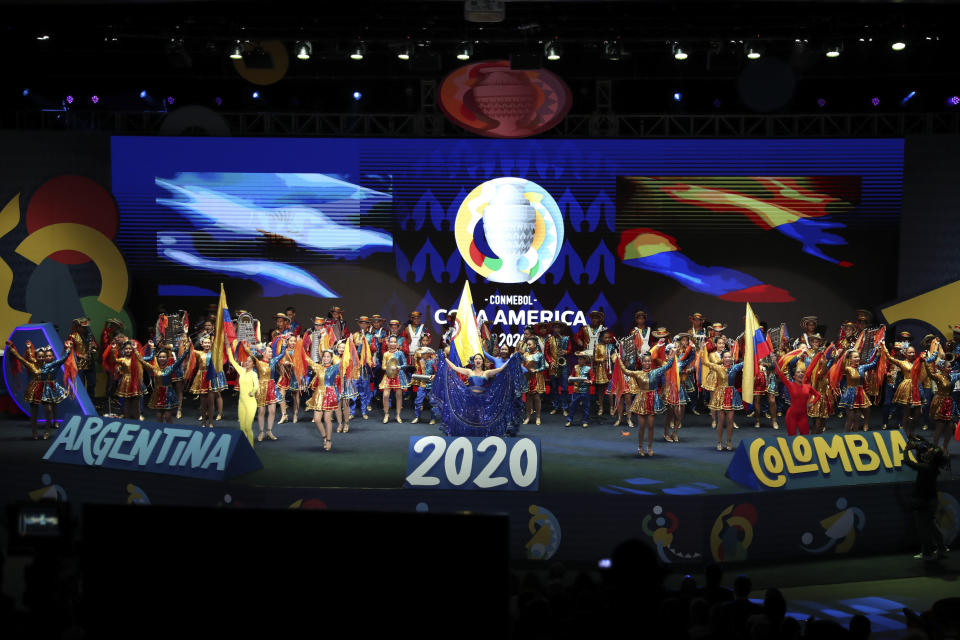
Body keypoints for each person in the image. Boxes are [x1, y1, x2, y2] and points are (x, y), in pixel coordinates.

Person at [433, 351, 524, 437]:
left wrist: (511, 359)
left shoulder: (487, 372)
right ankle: (469, 433)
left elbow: (501, 369)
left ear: (482, 362)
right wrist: (445, 358)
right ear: (474, 361)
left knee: (481, 417)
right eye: (476, 358)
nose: (478, 360)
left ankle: (481, 434)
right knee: (470, 416)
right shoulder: (469, 371)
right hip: (469, 397)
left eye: (480, 359)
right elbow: (454, 368)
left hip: (483, 399)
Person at [5, 340, 72, 440]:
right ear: (36, 357)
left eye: (43, 356)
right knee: (34, 412)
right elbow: (20, 358)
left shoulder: (48, 365)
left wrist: (68, 349)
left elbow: (62, 360)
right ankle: (34, 431)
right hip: (35, 389)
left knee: (48, 410)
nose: (41, 358)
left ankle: (47, 430)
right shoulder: (32, 365)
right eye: (39, 356)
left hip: (47, 389)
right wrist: (12, 349)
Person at [614, 350, 676, 457]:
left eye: (649, 361)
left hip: (652, 399)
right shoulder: (638, 373)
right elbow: (625, 371)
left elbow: (667, 366)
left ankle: (650, 447)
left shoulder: (655, 372)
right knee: (642, 426)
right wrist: (619, 359)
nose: (647, 363)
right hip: (641, 400)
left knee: (651, 425)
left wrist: (673, 356)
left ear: (651, 362)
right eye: (645, 361)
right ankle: (640, 447)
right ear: (642, 362)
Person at [903, 437, 948, 560]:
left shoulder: (927, 468)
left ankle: (927, 553)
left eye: (930, 451)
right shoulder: (932, 466)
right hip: (930, 500)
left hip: (924, 501)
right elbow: (924, 450)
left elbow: (908, 462)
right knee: (931, 526)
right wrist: (919, 444)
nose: (927, 451)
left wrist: (906, 450)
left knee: (923, 528)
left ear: (932, 457)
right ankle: (941, 548)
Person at [701, 345, 744, 452]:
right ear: (722, 359)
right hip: (720, 395)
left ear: (732, 358)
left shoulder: (735, 367)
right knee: (721, 420)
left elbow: (748, 362)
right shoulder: (718, 367)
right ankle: (719, 442)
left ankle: (729, 441)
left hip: (731, 395)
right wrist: (703, 349)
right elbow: (705, 362)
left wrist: (752, 349)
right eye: (726, 357)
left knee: (730, 420)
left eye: (729, 357)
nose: (728, 359)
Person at [142, 333, 191, 423]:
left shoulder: (171, 365)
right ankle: (160, 431)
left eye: (164, 357)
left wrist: (186, 349)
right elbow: (143, 360)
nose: (162, 358)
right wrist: (137, 351)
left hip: (168, 391)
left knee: (168, 416)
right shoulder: (154, 367)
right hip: (158, 392)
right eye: (160, 357)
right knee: (159, 415)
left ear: (167, 358)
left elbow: (180, 358)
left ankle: (176, 415)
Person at [883, 341, 924, 437]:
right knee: (906, 412)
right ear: (905, 353)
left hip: (916, 387)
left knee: (918, 412)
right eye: (910, 352)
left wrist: (934, 350)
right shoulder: (902, 363)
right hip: (906, 387)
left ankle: (912, 431)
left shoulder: (918, 361)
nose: (912, 354)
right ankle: (905, 433)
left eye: (913, 352)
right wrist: (883, 346)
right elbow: (889, 358)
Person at [225, 342, 260, 446]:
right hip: (241, 403)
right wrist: (227, 346)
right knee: (242, 428)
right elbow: (231, 360)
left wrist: (252, 392)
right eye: (246, 361)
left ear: (253, 364)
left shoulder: (254, 374)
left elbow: (256, 386)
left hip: (251, 403)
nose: (246, 362)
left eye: (249, 362)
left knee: (248, 427)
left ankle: (251, 448)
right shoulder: (242, 371)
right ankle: (245, 447)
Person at [186, 335, 226, 428]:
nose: (207, 344)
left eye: (209, 342)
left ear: (211, 343)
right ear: (201, 344)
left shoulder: (214, 353)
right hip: (201, 378)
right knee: (203, 403)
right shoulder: (199, 353)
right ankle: (204, 422)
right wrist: (187, 338)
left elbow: (221, 347)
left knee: (211, 402)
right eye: (205, 343)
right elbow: (190, 350)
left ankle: (211, 422)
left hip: (211, 377)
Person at [837, 348, 880, 432]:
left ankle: (855, 436)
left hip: (859, 394)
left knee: (857, 418)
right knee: (850, 418)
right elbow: (841, 364)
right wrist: (845, 354)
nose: (858, 359)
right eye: (855, 357)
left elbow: (874, 364)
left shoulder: (862, 368)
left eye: (858, 357)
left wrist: (878, 354)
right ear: (850, 359)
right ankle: (845, 437)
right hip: (850, 394)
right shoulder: (848, 369)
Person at [305, 349, 339, 451]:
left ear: (332, 358)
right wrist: (299, 344)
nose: (326, 358)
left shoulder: (335, 368)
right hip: (319, 395)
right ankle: (324, 436)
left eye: (328, 357)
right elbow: (308, 360)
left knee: (327, 419)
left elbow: (346, 360)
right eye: (324, 356)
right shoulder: (318, 367)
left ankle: (329, 440)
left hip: (329, 393)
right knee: (316, 419)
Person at [925, 355, 960, 455]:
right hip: (940, 403)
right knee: (939, 427)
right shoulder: (938, 376)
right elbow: (929, 374)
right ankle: (934, 448)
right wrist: (924, 361)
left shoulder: (953, 377)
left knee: (950, 426)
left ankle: (944, 447)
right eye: (948, 367)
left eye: (950, 367)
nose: (950, 368)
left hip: (949, 403)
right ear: (943, 368)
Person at [252, 344, 283, 441]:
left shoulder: (273, 361)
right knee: (261, 411)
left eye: (271, 352)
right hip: (261, 387)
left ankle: (269, 431)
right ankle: (261, 432)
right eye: (269, 352)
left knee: (272, 411)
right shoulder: (258, 362)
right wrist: (250, 347)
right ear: (263, 353)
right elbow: (250, 353)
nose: (271, 353)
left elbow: (282, 354)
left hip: (271, 387)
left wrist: (284, 345)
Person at [380, 334, 410, 423]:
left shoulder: (400, 353)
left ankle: (398, 415)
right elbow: (383, 366)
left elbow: (405, 364)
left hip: (398, 376)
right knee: (385, 396)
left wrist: (398, 367)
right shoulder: (386, 354)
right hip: (388, 376)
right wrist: (389, 368)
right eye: (391, 342)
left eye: (394, 342)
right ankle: (386, 414)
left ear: (397, 344)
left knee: (399, 396)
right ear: (388, 343)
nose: (393, 343)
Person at [545, 322, 572, 417]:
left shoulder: (566, 338)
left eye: (558, 328)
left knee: (564, 388)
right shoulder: (549, 339)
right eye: (555, 327)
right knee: (554, 388)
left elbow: (569, 349)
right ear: (553, 329)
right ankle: (555, 407)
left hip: (563, 365)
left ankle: (565, 407)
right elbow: (546, 352)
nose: (556, 330)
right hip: (553, 366)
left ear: (561, 329)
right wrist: (550, 361)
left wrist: (566, 351)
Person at [67, 317, 97, 394]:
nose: (86, 328)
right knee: (81, 386)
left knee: (92, 384)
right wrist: (81, 355)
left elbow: (96, 345)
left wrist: (94, 346)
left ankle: (91, 402)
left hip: (90, 363)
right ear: (78, 327)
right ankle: (83, 404)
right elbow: (70, 350)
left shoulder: (89, 335)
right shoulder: (72, 336)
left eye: (86, 327)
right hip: (79, 364)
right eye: (84, 327)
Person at [276, 334, 302, 424]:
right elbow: (279, 361)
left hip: (295, 375)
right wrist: (284, 363)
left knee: (296, 396)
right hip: (285, 375)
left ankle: (295, 414)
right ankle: (284, 415)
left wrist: (292, 364)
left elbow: (301, 363)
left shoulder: (299, 351)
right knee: (281, 395)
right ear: (287, 342)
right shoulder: (284, 350)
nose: (293, 343)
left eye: (294, 341)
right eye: (291, 341)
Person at [522, 336, 547, 425]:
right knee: (528, 398)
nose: (528, 346)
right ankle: (528, 417)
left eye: (530, 344)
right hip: (527, 377)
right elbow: (522, 365)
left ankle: (538, 417)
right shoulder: (525, 355)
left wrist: (536, 370)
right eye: (527, 344)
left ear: (535, 344)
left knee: (537, 398)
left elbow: (543, 367)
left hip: (536, 377)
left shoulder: (540, 355)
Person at [566, 351, 593, 428]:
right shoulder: (575, 367)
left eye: (581, 359)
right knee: (572, 405)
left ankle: (585, 421)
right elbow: (572, 374)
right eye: (578, 359)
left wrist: (590, 381)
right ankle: (569, 420)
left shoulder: (588, 368)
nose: (579, 361)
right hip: (576, 390)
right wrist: (570, 378)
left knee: (586, 406)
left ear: (585, 360)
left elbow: (592, 378)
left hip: (585, 390)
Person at [411, 347, 437, 424]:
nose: (422, 355)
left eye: (424, 353)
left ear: (429, 354)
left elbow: (437, 372)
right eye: (422, 353)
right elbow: (419, 371)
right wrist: (417, 375)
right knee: (418, 401)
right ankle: (417, 416)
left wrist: (434, 376)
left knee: (432, 402)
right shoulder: (421, 362)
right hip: (422, 384)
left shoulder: (433, 362)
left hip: (431, 385)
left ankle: (433, 418)